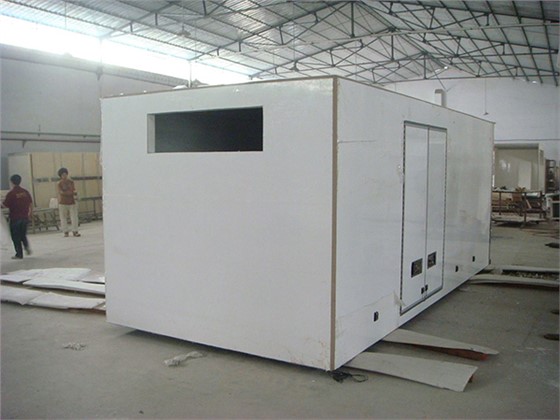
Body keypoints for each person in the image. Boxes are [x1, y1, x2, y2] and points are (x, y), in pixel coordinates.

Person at [2, 174, 33, 259]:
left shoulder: (11, 193)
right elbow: (30, 203)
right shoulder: (25, 192)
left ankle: (19, 254)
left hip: (15, 218)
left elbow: (5, 205)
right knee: (23, 234)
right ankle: (26, 246)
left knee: (15, 236)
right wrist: (30, 213)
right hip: (25, 217)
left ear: (12, 182)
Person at [57, 167, 81, 237]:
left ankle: (75, 231)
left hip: (72, 202)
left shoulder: (71, 182)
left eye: (65, 174)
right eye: (63, 175)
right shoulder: (59, 183)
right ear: (60, 176)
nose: (64, 176)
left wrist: (74, 194)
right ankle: (65, 231)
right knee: (63, 217)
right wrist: (71, 193)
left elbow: (73, 190)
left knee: (74, 217)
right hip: (63, 202)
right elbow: (61, 192)